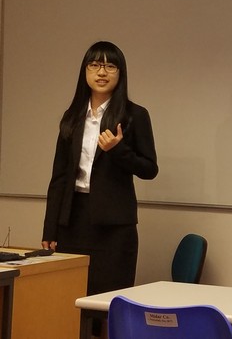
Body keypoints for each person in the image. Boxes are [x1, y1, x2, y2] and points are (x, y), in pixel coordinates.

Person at [41, 41, 158, 332]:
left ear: (120, 73)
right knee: (72, 301)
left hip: (114, 228)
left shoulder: (134, 115)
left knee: (108, 306)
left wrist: (118, 150)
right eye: (94, 65)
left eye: (109, 66)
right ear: (85, 72)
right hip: (73, 222)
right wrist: (50, 229)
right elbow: (59, 177)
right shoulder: (72, 116)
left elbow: (149, 169)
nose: (101, 72)